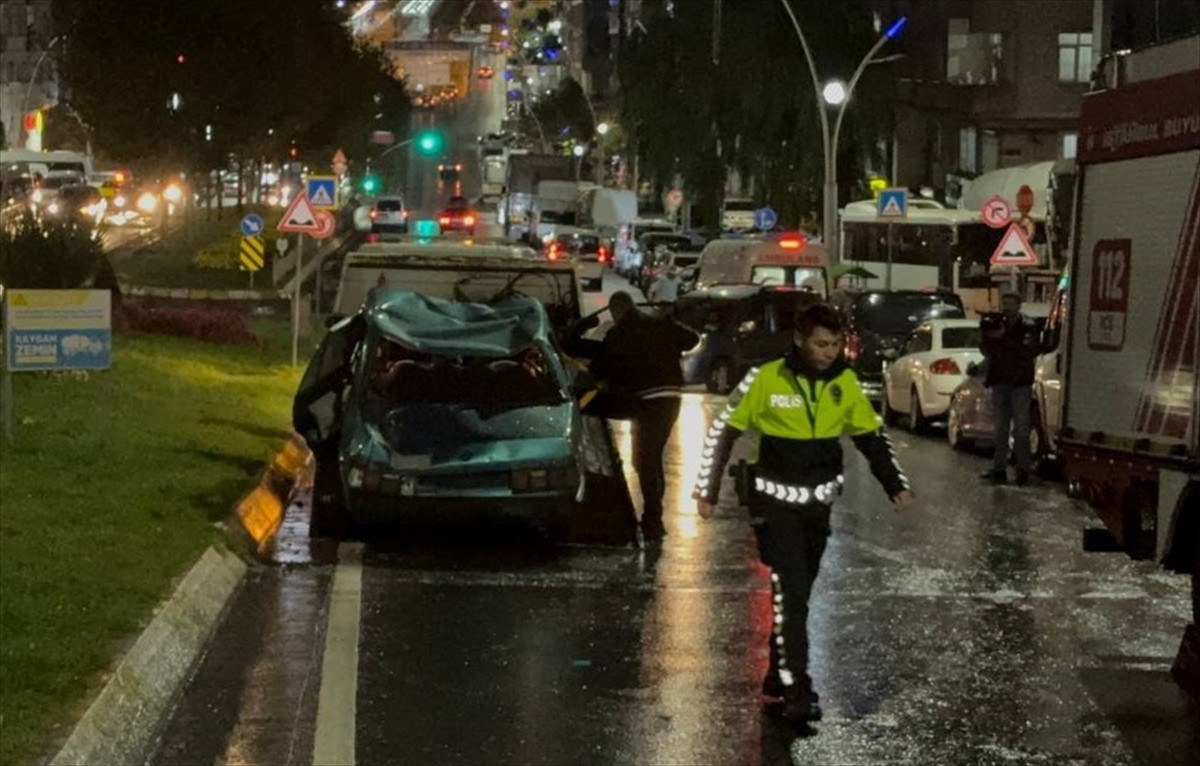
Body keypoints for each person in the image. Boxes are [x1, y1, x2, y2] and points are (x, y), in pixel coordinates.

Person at [693, 303, 913, 725]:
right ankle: (797, 686)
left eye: (834, 344)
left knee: (797, 594)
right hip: (774, 504)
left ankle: (778, 671)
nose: (828, 352)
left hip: (817, 506)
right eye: (820, 344)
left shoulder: (844, 383)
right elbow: (725, 430)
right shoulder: (765, 378)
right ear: (799, 339)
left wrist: (895, 485)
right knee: (791, 592)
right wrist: (707, 488)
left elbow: (871, 437)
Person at [586, 291, 699, 544]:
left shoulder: (618, 335)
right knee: (651, 456)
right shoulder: (662, 323)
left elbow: (601, 370)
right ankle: (652, 517)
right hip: (671, 399)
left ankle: (653, 520)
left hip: (646, 401)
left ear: (616, 312)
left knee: (645, 460)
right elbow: (692, 339)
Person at [979, 292, 1040, 486]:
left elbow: (1028, 350)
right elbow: (987, 348)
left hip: (1020, 382)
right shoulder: (998, 323)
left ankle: (1023, 470)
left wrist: (1002, 337)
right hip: (1001, 381)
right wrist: (988, 333)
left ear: (1019, 305)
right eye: (1005, 303)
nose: (1007, 307)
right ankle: (999, 470)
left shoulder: (1027, 326)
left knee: (1021, 429)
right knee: (1000, 429)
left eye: (1011, 303)